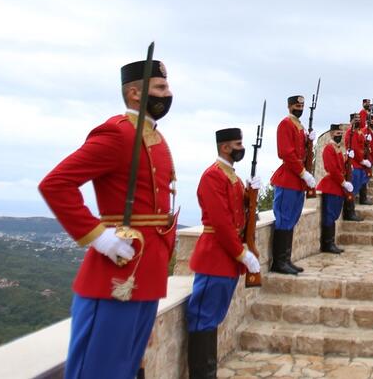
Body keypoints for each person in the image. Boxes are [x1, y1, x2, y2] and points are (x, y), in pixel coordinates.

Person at [38, 59, 178, 379]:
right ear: (133, 93)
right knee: (99, 370)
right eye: (160, 88)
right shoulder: (117, 134)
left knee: (124, 368)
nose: (167, 94)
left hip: (147, 271)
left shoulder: (154, 137)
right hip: (118, 275)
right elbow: (55, 184)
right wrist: (98, 236)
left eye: (167, 87)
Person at [186, 128, 262, 379]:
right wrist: (242, 253)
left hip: (227, 258)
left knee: (213, 317)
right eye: (237, 144)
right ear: (224, 147)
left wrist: (251, 194)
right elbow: (220, 222)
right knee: (203, 319)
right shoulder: (213, 176)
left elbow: (242, 213)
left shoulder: (232, 176)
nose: (241, 148)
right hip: (215, 256)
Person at [269, 95, 317, 275]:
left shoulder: (300, 127)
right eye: (297, 105)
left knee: (292, 218)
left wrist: (308, 140)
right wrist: (303, 173)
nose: (300, 108)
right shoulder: (286, 124)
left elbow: (302, 151)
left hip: (297, 181)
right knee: (284, 218)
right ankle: (279, 261)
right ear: (289, 106)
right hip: (289, 178)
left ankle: (286, 259)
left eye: (302, 106)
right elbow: (286, 153)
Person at [316, 123, 354, 253]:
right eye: (337, 134)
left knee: (334, 214)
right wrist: (343, 182)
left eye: (340, 134)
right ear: (331, 134)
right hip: (332, 185)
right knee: (330, 215)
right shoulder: (329, 148)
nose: (339, 136)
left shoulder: (337, 149)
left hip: (337, 186)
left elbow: (342, 167)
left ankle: (330, 242)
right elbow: (332, 168)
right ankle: (328, 244)